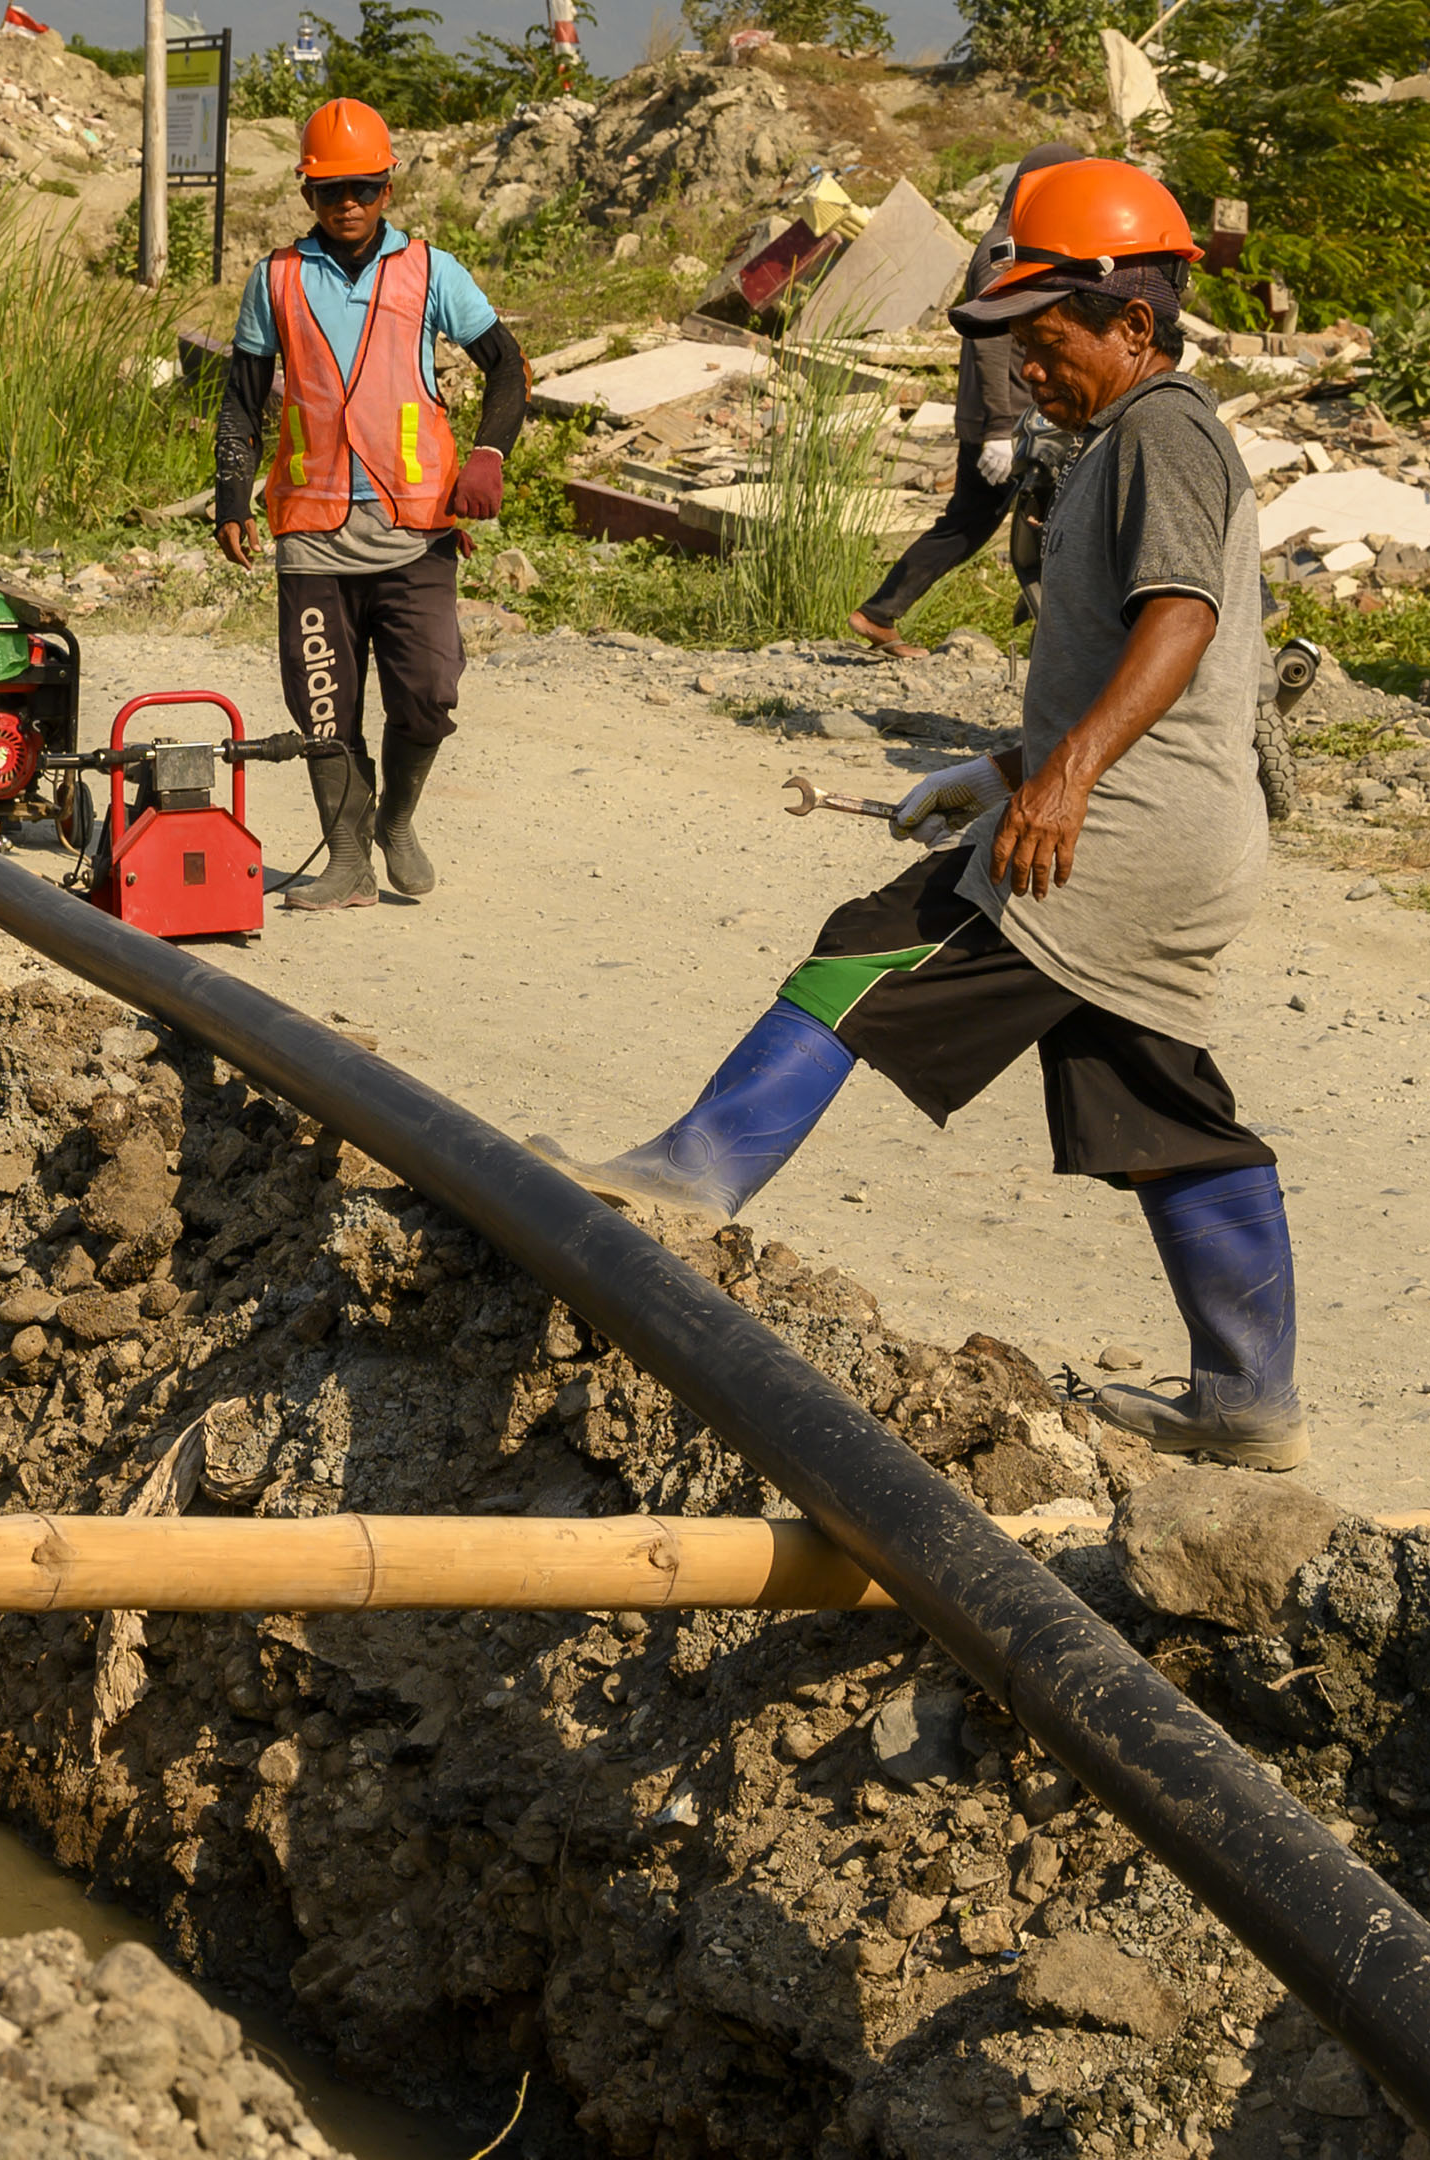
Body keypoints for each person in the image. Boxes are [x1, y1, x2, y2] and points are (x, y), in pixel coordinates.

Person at [539, 158, 1304, 1469]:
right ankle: (1248, 1401)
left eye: (1043, 341)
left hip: (1123, 828)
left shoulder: (1165, 431)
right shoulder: (1136, 437)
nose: (1025, 373)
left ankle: (686, 1181)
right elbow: (1134, 658)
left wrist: (1062, 783)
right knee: (1157, 1100)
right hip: (1181, 829)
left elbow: (1183, 621)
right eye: (1011, 347)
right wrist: (1007, 767)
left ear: (1134, 319)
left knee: (870, 943)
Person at [212, 99, 528, 909]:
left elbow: (506, 365)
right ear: (307, 195)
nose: (346, 204)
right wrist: (228, 494)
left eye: (362, 188)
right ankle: (347, 859)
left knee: (428, 694)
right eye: (329, 191)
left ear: (387, 187)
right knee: (324, 705)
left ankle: (395, 818)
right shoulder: (275, 280)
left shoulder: (431, 272)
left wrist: (489, 453)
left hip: (413, 529)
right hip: (312, 533)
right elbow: (243, 399)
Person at [850, 141, 1081, 655]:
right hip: (1005, 420)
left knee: (990, 520)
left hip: (1022, 415)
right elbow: (990, 342)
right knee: (973, 522)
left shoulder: (1021, 242)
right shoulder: (1003, 251)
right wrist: (999, 429)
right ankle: (880, 611)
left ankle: (881, 612)